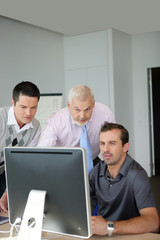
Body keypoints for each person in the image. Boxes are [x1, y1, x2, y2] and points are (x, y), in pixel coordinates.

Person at [90, 122, 160, 236]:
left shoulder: (137, 175)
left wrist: (109, 226)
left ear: (125, 147)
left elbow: (153, 222)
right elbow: (80, 203)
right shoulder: (96, 171)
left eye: (112, 143)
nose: (105, 149)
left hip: (130, 235)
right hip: (105, 235)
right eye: (102, 143)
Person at [38, 85, 115, 167]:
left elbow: (115, 139)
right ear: (68, 105)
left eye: (87, 109)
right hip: (65, 163)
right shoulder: (57, 120)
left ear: (93, 104)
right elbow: (43, 151)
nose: (82, 116)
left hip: (92, 160)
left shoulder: (104, 113)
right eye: (77, 110)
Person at [0, 81, 41, 212]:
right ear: (13, 103)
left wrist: (8, 193)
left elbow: (23, 164)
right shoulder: (1, 119)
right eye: (23, 107)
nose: (28, 113)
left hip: (6, 172)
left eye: (33, 107)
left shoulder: (35, 127)